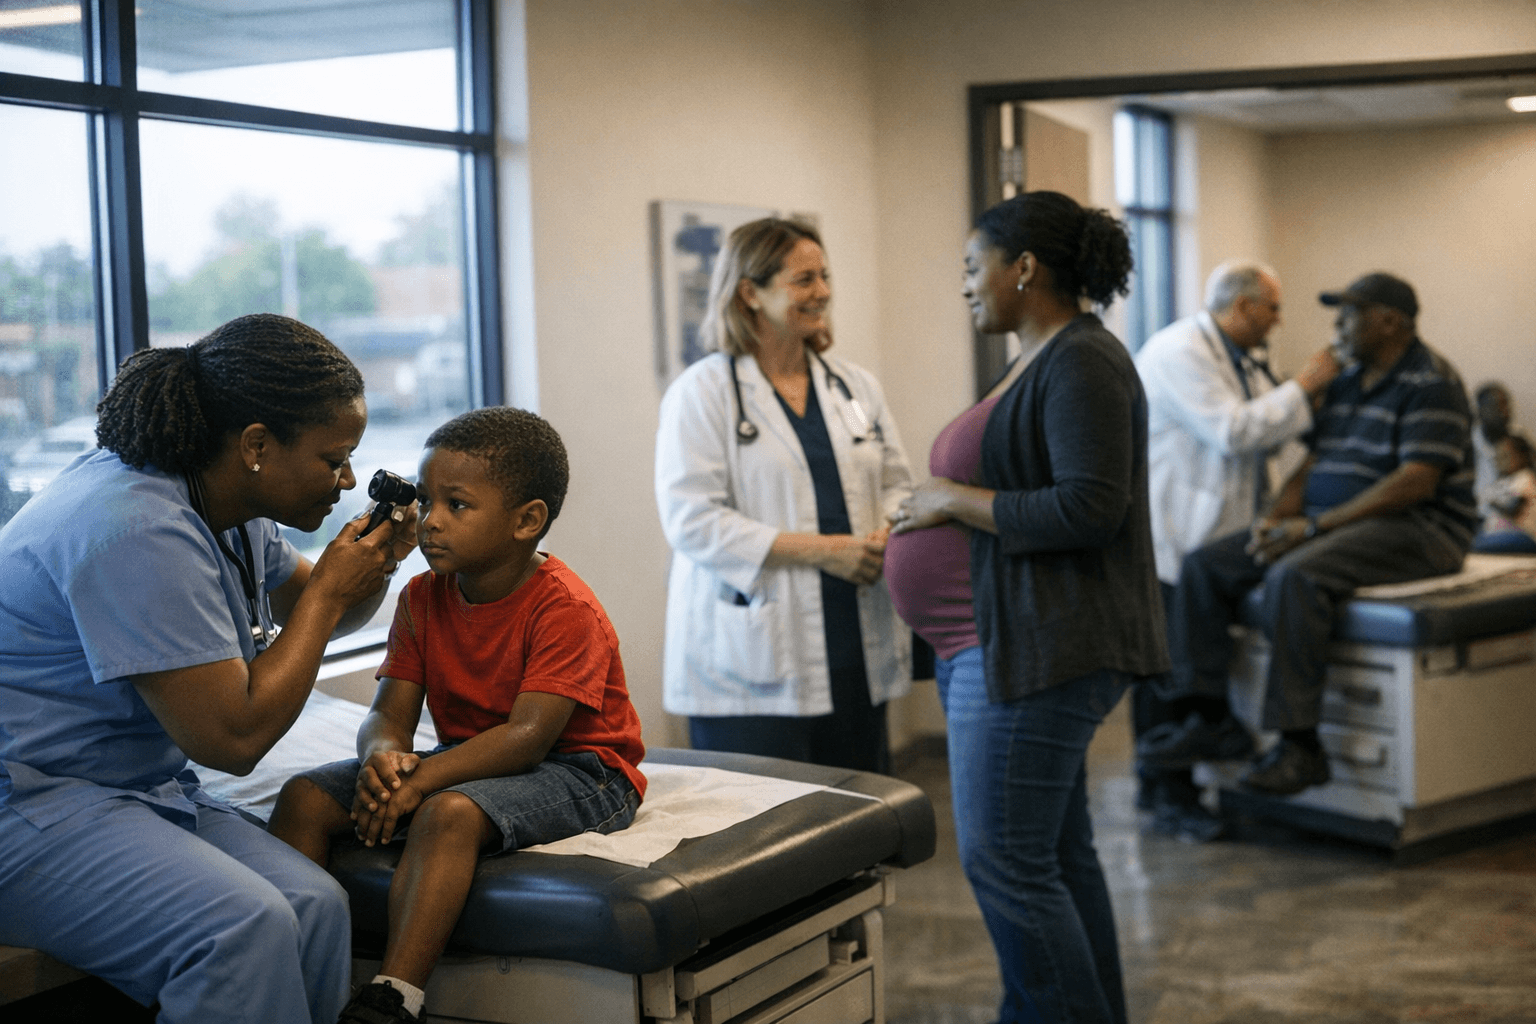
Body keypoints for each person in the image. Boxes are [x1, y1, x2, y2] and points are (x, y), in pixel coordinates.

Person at [0, 313, 410, 1024]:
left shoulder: (222, 498)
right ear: (257, 445)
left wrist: (376, 564)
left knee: (314, 903)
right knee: (239, 927)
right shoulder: (133, 526)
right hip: (27, 806)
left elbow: (324, 608)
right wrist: (331, 594)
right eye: (333, 458)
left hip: (126, 787)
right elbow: (233, 742)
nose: (346, 478)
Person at [889, 190, 1168, 1024]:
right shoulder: (1043, 356)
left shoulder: (1082, 360)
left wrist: (951, 499)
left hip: (1035, 650)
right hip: (1002, 645)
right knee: (1054, 855)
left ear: (1025, 268)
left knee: (1007, 862)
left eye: (974, 268)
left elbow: (1090, 508)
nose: (967, 287)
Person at [270, 406, 646, 1024]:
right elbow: (388, 714)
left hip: (582, 770)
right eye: (427, 500)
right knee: (304, 798)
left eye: (457, 506)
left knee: (448, 812)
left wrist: (421, 780)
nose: (430, 522)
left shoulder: (564, 609)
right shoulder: (422, 597)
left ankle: (393, 997)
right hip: (479, 758)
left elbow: (527, 740)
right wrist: (383, 761)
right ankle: (294, 976)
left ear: (527, 521)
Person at [1151, 272, 1476, 796]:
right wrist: (1278, 521)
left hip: (1421, 528)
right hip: (1337, 523)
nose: (1337, 326)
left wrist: (1313, 528)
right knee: (1205, 564)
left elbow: (1415, 482)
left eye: (1349, 314)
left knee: (1294, 575)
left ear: (1390, 322)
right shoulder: (1346, 383)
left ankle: (1300, 747)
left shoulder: (1431, 381)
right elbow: (1313, 464)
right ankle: (1210, 719)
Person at [654, 218, 913, 773]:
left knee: (860, 824)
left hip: (855, 642)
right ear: (750, 291)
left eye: (824, 276)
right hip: (751, 658)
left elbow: (897, 482)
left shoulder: (854, 385)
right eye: (803, 279)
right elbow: (691, 520)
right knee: (769, 837)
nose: (822, 291)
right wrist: (829, 551)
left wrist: (888, 531)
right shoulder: (704, 393)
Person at [1131, 261, 1340, 841]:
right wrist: (1305, 385)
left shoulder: (1238, 357)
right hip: (1171, 533)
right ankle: (1164, 794)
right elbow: (1232, 431)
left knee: (1186, 668)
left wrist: (1309, 402)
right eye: (1272, 308)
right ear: (1244, 306)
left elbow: (1273, 424)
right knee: (1164, 677)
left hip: (1214, 536)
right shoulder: (1179, 351)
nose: (1278, 320)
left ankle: (1188, 783)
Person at [1471, 382, 1532, 520]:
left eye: (1507, 405)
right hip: (1476, 518)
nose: (1506, 412)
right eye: (1498, 406)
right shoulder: (1467, 443)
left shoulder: (1518, 438)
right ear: (1480, 410)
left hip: (1515, 517)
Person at [1470, 434, 1536, 553]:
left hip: (1522, 535)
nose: (1501, 462)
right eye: (1499, 457)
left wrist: (1493, 503)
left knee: (1475, 543)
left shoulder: (1525, 477)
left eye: (1506, 457)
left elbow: (1514, 508)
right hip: (1499, 534)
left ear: (1523, 457)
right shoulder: (1505, 481)